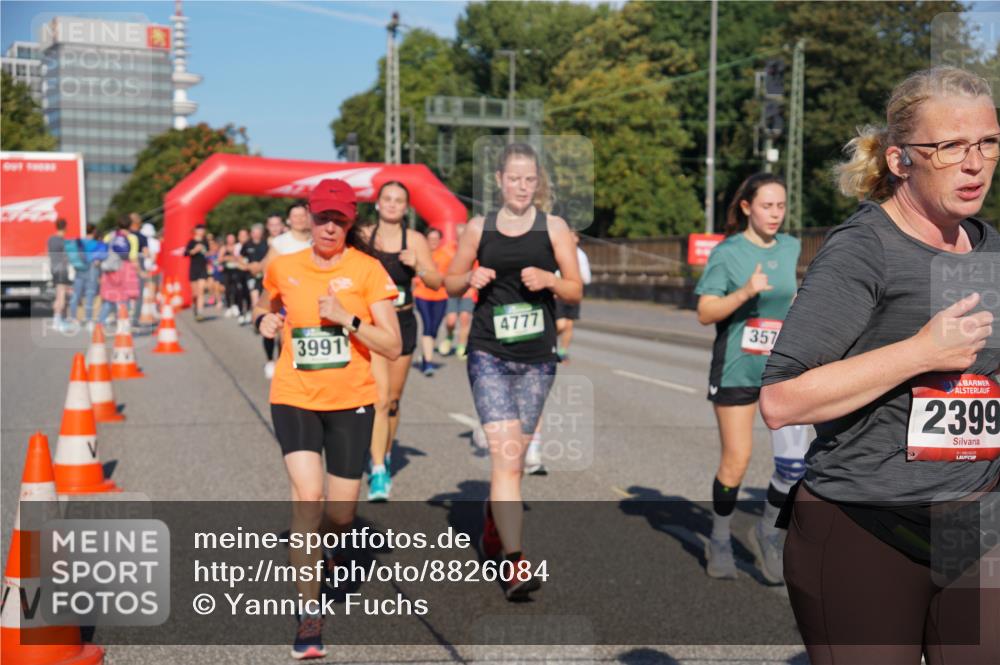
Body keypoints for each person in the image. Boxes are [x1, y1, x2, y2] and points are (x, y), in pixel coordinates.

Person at [760, 66, 1000, 663]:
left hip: (976, 525)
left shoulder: (990, 248)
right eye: (948, 147)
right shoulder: (864, 249)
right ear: (900, 160)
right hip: (864, 529)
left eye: (988, 142)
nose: (974, 164)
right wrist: (920, 353)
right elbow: (781, 400)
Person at [253, 178, 401, 658]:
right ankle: (309, 614)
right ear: (309, 217)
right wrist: (265, 320)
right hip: (294, 395)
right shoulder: (284, 266)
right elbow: (265, 300)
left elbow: (393, 344)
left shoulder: (369, 271)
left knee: (339, 514)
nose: (330, 227)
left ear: (350, 221)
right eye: (322, 217)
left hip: (350, 401)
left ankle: (333, 545)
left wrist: (349, 319)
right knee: (309, 498)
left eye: (339, 219)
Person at [446, 142, 583, 600]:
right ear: (499, 181)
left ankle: (492, 523)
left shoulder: (555, 228)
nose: (522, 187)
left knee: (516, 461)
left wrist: (549, 281)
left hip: (538, 358)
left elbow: (575, 288)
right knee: (506, 457)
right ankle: (514, 562)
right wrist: (469, 279)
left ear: (537, 183)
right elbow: (447, 280)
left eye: (530, 180)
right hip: (488, 351)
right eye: (514, 179)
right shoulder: (478, 227)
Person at [694, 173, 803, 583]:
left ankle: (769, 534)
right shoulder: (728, 252)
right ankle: (720, 539)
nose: (775, 214)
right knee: (736, 461)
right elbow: (706, 313)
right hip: (737, 367)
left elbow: (789, 299)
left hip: (782, 369)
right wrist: (744, 292)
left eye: (780, 206)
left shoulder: (791, 247)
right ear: (747, 208)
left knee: (794, 466)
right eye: (766, 206)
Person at [361, 181, 443, 501]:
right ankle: (379, 468)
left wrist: (419, 265)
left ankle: (385, 450)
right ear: (378, 203)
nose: (393, 205)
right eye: (387, 199)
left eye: (399, 201)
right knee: (379, 399)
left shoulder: (416, 240)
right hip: (373, 324)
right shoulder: (364, 236)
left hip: (404, 322)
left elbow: (436, 282)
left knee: (393, 400)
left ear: (406, 207)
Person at [260, 203, 313, 379]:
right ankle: (285, 370)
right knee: (287, 338)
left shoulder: (316, 240)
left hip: (313, 297)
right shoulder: (280, 242)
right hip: (286, 299)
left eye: (302, 215)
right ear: (289, 220)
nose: (299, 219)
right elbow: (269, 272)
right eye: (295, 216)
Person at [413, 227, 452, 376]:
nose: (433, 242)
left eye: (436, 239)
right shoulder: (421, 255)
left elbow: (451, 274)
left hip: (440, 295)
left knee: (434, 329)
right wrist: (421, 276)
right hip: (422, 294)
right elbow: (414, 272)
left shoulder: (447, 255)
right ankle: (428, 363)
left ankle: (425, 355)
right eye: (431, 239)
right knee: (428, 326)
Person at [553, 230, 592, 361]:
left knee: (569, 325)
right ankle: (548, 341)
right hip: (558, 294)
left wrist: (574, 279)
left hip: (573, 293)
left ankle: (562, 351)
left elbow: (586, 278)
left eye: (573, 236)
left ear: (577, 239)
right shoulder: (557, 251)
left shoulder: (581, 255)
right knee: (561, 325)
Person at [440, 223, 476, 358]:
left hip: (468, 291)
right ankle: (449, 337)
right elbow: (442, 270)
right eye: (459, 235)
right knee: (451, 320)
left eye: (464, 234)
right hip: (453, 290)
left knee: (465, 318)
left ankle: (461, 345)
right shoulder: (448, 250)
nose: (462, 237)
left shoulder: (475, 249)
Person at [66, 224, 103, 328]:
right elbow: (97, 261)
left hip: (79, 271)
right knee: (89, 296)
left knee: (76, 296)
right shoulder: (96, 244)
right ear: (94, 231)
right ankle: (89, 320)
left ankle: (73, 319)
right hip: (91, 272)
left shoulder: (78, 242)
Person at [219, 232, 251, 323]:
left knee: (245, 292)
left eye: (232, 238)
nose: (231, 240)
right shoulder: (226, 247)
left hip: (244, 271)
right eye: (229, 238)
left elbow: (240, 258)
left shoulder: (244, 246)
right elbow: (221, 258)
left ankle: (245, 310)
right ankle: (233, 308)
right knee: (231, 289)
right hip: (230, 271)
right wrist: (228, 258)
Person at [47, 219, 73, 331]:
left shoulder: (50, 239)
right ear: (65, 227)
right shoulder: (63, 241)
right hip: (62, 270)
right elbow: (67, 257)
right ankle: (58, 322)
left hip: (54, 269)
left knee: (58, 295)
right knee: (61, 296)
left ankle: (56, 320)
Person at [242, 223, 269, 312]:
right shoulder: (247, 244)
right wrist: (248, 266)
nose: (256, 235)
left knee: (264, 298)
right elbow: (241, 257)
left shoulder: (266, 243)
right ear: (251, 233)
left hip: (264, 275)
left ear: (261, 233)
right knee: (254, 297)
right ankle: (256, 317)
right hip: (251, 275)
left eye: (258, 233)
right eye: (254, 233)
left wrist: (261, 266)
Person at [184, 225, 210, 321]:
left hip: (202, 268)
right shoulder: (191, 242)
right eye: (200, 230)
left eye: (203, 230)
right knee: (195, 293)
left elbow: (208, 253)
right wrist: (195, 250)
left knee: (201, 291)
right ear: (196, 231)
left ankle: (200, 312)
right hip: (193, 268)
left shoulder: (205, 242)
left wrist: (205, 251)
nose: (202, 231)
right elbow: (186, 253)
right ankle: (196, 307)